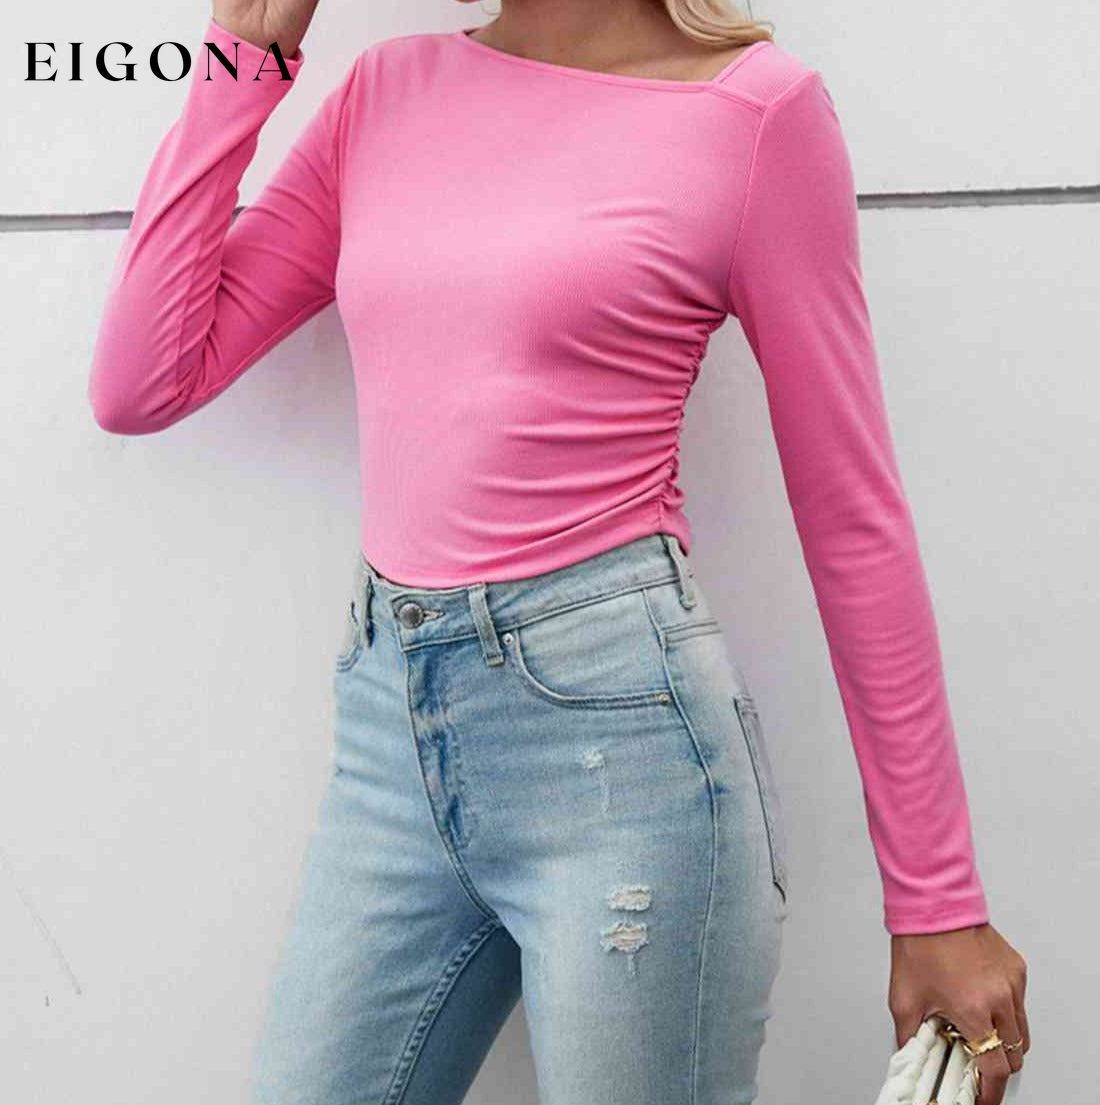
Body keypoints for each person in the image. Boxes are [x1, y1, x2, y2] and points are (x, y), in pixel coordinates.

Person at [87, 1, 1030, 1102]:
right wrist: (244, 54)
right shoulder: (386, 91)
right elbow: (141, 382)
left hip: (623, 757)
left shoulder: (755, 114)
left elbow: (851, 518)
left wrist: (936, 902)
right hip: (392, 748)